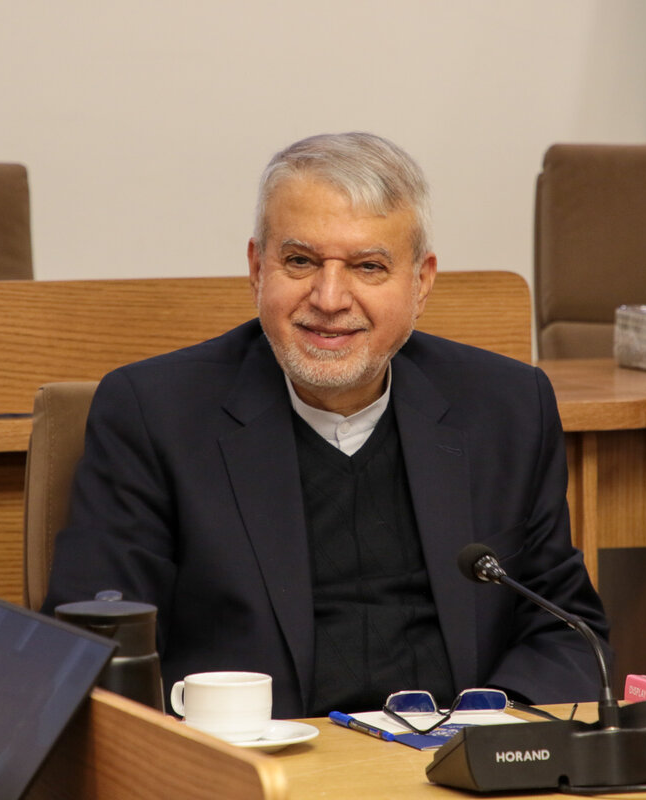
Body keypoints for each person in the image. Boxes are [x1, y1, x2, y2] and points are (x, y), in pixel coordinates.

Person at [42, 132, 610, 718]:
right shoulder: (154, 413)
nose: (330, 298)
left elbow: (565, 629)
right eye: (300, 261)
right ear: (257, 268)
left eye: (368, 267)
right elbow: (97, 649)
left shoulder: (506, 407)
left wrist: (496, 731)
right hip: (258, 757)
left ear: (421, 283)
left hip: (456, 753)